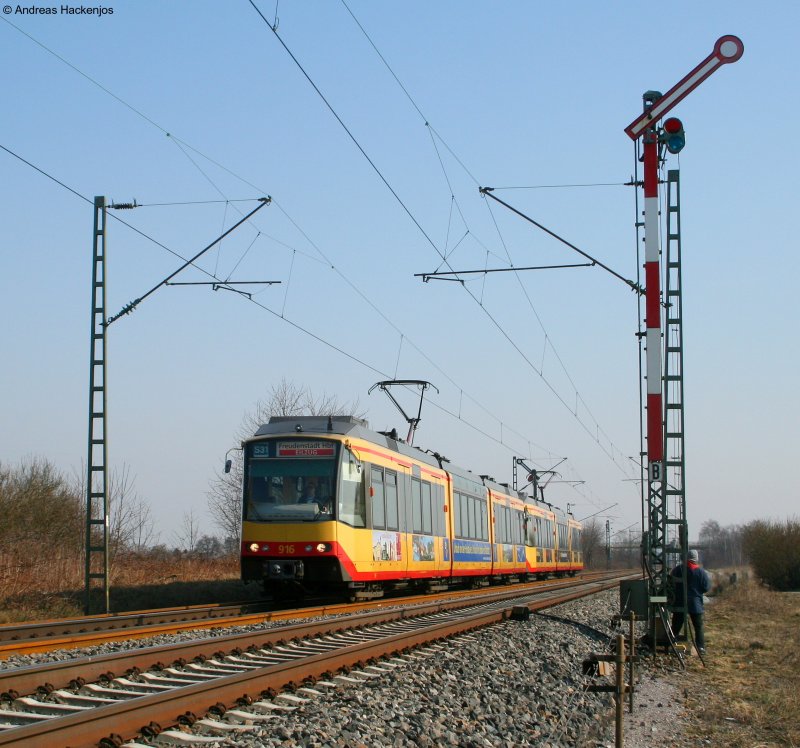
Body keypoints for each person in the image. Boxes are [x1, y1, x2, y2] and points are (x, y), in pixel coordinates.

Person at [671, 549, 712, 653]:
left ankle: (671, 643)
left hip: (680, 602)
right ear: (696, 559)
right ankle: (700, 647)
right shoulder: (701, 572)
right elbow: (706, 587)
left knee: (676, 626)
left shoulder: (678, 570)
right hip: (695, 604)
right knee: (698, 627)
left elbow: (670, 583)